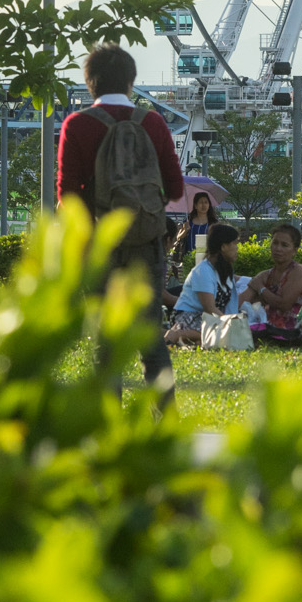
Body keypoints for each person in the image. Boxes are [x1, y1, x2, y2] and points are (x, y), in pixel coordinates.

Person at [56, 44, 186, 390]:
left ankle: (108, 417)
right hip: (147, 241)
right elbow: (175, 188)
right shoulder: (152, 122)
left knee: (106, 341)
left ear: (90, 83)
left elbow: (67, 195)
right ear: (131, 81)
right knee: (150, 337)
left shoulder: (77, 125)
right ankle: (164, 415)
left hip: (100, 243)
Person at [166, 222, 242, 344]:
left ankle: (196, 339)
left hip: (208, 317)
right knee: (223, 333)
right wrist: (231, 324)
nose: (237, 248)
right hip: (189, 317)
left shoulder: (225, 271)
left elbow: (230, 304)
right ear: (223, 246)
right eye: (235, 243)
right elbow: (209, 308)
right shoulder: (203, 270)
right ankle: (178, 334)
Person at [245, 223, 302, 346]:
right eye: (275, 243)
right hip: (268, 332)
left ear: (295, 250)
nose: (278, 248)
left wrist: (261, 288)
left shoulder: (299, 271)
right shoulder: (265, 275)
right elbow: (241, 301)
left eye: (284, 245)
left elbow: (284, 304)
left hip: (294, 335)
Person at [183, 189, 219, 255]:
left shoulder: (214, 222)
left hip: (207, 257)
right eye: (201, 202)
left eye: (206, 202)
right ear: (195, 206)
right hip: (189, 257)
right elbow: (179, 238)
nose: (203, 205)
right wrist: (185, 231)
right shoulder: (188, 221)